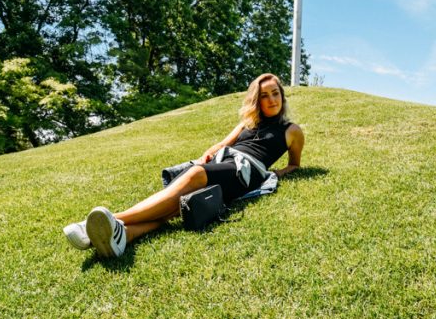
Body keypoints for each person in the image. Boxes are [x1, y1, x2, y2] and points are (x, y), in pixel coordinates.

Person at [63, 73, 305, 258]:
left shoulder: (291, 131)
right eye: (264, 95)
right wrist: (205, 156)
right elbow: (221, 144)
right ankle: (123, 236)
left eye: (275, 93)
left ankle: (107, 221)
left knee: (196, 176)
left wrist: (278, 173)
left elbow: (295, 164)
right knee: (176, 204)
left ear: (282, 97)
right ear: (257, 100)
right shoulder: (247, 123)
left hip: (247, 172)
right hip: (225, 162)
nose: (271, 99)